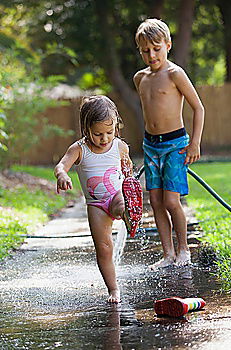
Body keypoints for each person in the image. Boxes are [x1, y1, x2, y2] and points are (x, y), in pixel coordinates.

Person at [133, 18, 204, 269]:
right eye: (145, 50)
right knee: (155, 201)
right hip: (151, 146)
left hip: (175, 144)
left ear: (168, 45)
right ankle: (168, 254)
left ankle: (184, 249)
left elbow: (198, 108)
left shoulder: (175, 74)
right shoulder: (139, 78)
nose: (151, 55)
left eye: (156, 48)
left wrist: (194, 143)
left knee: (172, 201)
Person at [54, 95, 133, 303]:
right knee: (104, 249)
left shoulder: (120, 147)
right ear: (86, 128)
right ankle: (113, 289)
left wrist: (130, 177)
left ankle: (128, 213)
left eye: (110, 132)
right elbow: (61, 165)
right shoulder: (79, 149)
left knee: (121, 203)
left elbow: (127, 170)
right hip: (96, 206)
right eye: (98, 134)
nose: (105, 138)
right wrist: (62, 175)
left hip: (116, 195)